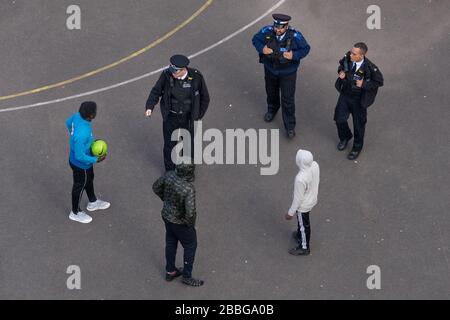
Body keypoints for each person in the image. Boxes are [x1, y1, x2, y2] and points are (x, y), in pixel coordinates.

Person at [145, 54, 210, 172]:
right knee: (169, 147)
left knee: (188, 147)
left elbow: (205, 97)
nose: (172, 72)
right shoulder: (166, 76)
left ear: (183, 69)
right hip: (171, 117)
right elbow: (156, 91)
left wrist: (198, 115)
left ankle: (186, 173)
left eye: (175, 70)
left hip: (189, 119)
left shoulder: (196, 77)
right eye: (171, 69)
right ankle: (170, 173)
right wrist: (150, 106)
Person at [252, 14, 310, 138]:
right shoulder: (267, 31)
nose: (277, 30)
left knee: (287, 99)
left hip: (288, 73)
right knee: (271, 92)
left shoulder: (295, 36)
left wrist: (294, 55)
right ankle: (272, 109)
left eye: (281, 27)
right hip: (270, 70)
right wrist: (262, 49)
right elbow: (255, 39)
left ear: (287, 26)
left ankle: (290, 126)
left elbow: (305, 48)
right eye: (276, 26)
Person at [152, 164, 204, 287]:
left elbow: (156, 187)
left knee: (171, 241)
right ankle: (187, 276)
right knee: (190, 245)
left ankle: (170, 271)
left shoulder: (169, 175)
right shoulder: (188, 189)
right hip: (180, 222)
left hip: (166, 216)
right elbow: (190, 212)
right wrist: (189, 225)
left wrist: (166, 200)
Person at [334, 42, 384, 160]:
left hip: (359, 99)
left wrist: (364, 84)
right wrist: (341, 72)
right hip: (345, 95)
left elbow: (379, 82)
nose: (351, 55)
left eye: (354, 54)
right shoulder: (348, 58)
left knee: (359, 125)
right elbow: (341, 65)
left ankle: (357, 147)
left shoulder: (370, 67)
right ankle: (345, 136)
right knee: (339, 118)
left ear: (361, 56)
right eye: (351, 52)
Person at [66, 101, 110, 224]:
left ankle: (93, 202)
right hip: (81, 165)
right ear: (91, 115)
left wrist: (73, 136)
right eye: (95, 111)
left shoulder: (77, 116)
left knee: (89, 179)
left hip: (85, 162)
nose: (96, 113)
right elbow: (80, 156)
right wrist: (96, 159)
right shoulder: (82, 134)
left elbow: (68, 123)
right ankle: (75, 212)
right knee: (79, 187)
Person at [285, 149, 320, 256]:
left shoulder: (300, 179)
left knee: (304, 225)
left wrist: (290, 213)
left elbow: (297, 199)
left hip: (303, 205)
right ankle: (300, 235)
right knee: (303, 224)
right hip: (312, 198)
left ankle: (304, 247)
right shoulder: (315, 165)